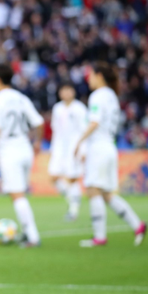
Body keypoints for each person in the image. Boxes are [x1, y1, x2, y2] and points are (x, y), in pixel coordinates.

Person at [75, 62, 147, 247]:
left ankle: (99, 237)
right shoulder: (112, 96)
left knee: (93, 190)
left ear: (99, 76)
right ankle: (137, 225)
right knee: (106, 193)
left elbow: (94, 122)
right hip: (109, 146)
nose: (88, 79)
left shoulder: (98, 96)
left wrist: (79, 141)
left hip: (98, 147)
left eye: (90, 75)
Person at [0, 64, 44, 247]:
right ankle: (27, 232)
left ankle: (32, 237)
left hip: (9, 150)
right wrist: (37, 143)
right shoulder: (21, 98)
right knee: (21, 193)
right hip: (25, 147)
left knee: (17, 195)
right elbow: (39, 122)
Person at [48, 83, 87, 222]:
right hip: (59, 147)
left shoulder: (79, 108)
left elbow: (85, 130)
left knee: (72, 178)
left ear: (73, 92)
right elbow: (55, 130)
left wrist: (83, 149)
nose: (66, 93)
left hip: (74, 147)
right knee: (53, 176)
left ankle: (73, 210)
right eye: (63, 90)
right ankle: (73, 199)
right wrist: (53, 149)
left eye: (68, 90)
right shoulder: (57, 108)